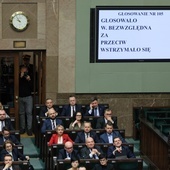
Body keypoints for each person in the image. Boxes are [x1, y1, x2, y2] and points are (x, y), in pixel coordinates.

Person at [19, 65, 33, 136]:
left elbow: (33, 87)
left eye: (25, 69)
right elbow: (15, 85)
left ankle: (29, 129)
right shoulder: (18, 76)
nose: (24, 70)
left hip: (28, 97)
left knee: (29, 113)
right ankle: (22, 128)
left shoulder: (29, 76)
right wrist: (20, 77)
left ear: (27, 70)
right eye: (22, 69)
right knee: (21, 113)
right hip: (20, 97)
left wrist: (29, 80)